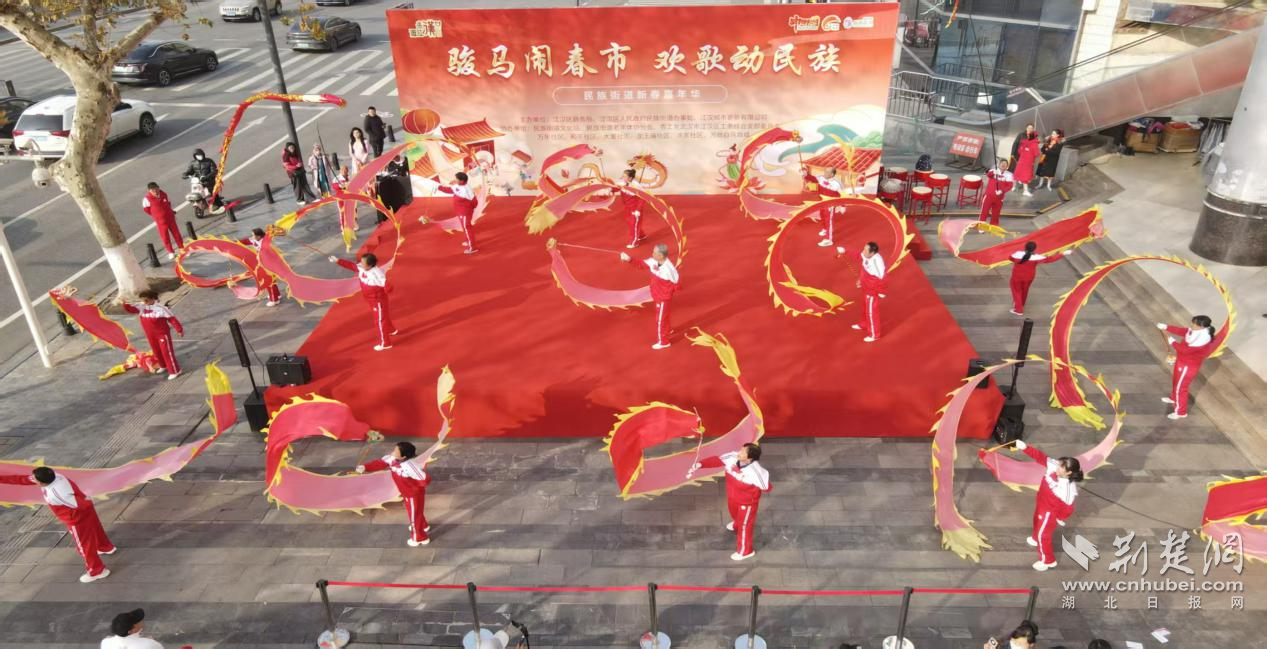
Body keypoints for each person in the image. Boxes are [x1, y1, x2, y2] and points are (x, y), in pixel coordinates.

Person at [0, 467, 116, 583]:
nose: (32, 479)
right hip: (85, 512)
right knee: (96, 529)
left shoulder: (55, 494)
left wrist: (79, 514)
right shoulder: (55, 476)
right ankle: (105, 547)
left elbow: (79, 505)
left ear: (41, 483)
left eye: (35, 479)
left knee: (84, 546)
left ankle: (97, 571)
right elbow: (22, 479)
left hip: (77, 519)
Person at [692, 442, 771, 561]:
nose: (739, 453)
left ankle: (745, 551)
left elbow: (766, 487)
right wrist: (700, 464)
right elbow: (718, 460)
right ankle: (736, 524)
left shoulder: (756, 471)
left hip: (747, 503)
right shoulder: (732, 457)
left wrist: (752, 490)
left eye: (743, 452)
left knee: (745, 526)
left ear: (750, 458)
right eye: (741, 449)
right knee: (734, 513)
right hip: (733, 496)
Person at [1014, 439, 1082, 571]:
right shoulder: (1055, 466)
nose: (1057, 467)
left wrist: (1060, 518)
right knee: (1036, 522)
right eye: (1059, 464)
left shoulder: (1068, 489)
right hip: (1041, 504)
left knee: (1043, 536)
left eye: (1061, 467)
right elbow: (1040, 457)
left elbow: (1069, 508)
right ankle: (1035, 538)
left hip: (1049, 513)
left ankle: (1048, 561)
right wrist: (1024, 447)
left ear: (1068, 473)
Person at [356, 442, 432, 546]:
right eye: (394, 449)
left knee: (414, 516)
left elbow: (424, 479)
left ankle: (419, 538)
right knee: (415, 512)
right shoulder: (392, 459)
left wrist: (414, 486)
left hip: (413, 495)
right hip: (406, 492)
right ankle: (423, 525)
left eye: (396, 451)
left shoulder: (410, 466)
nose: (393, 452)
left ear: (403, 456)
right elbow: (380, 463)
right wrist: (365, 467)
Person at [328, 252, 395, 351]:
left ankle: (386, 343)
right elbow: (351, 266)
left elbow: (388, 286)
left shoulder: (377, 274)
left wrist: (386, 288)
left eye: (363, 263)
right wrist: (337, 260)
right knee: (383, 316)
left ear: (370, 265)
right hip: (370, 299)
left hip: (378, 301)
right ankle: (391, 330)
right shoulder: (361, 267)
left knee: (380, 321)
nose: (361, 264)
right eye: (361, 262)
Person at [619, 243, 679, 350]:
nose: (652, 253)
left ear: (661, 255)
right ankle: (667, 330)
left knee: (660, 319)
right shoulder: (653, 261)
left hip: (663, 298)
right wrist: (628, 259)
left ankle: (663, 341)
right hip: (657, 295)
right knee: (664, 316)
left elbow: (676, 283)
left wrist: (666, 293)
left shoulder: (669, 269)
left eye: (654, 252)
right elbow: (641, 264)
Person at [1156, 315, 1217, 420]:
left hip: (1188, 366)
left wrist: (1171, 340)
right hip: (1182, 361)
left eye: (1194, 324)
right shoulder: (1196, 330)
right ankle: (1174, 398)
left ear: (1201, 326)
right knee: (1176, 381)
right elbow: (1183, 331)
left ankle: (1181, 412)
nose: (1192, 325)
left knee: (1181, 388)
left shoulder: (1203, 339)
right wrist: (1166, 327)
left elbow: (1184, 351)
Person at [122, 289, 184, 379]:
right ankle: (163, 365)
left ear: (152, 299)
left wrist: (179, 330)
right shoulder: (141, 306)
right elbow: (130, 309)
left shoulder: (161, 308)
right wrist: (124, 303)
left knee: (167, 352)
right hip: (150, 335)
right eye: (143, 300)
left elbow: (172, 319)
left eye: (146, 300)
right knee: (156, 351)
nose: (144, 302)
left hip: (162, 334)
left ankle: (175, 371)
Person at [1007, 242, 1072, 316]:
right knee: (1025, 290)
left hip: (1017, 276)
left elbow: (1010, 258)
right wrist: (1064, 253)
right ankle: (1021, 304)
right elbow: (1050, 259)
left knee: (1017, 292)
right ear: (1034, 249)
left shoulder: (1017, 254)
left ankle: (1018, 310)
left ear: (1025, 247)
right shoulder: (1037, 257)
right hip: (1029, 277)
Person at [839, 242, 885, 342]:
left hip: (872, 291)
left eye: (865, 250)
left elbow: (883, 277)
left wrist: (880, 291)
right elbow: (858, 255)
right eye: (864, 249)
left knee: (871, 312)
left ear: (872, 253)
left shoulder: (877, 262)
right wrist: (845, 251)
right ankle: (864, 324)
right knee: (865, 308)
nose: (863, 251)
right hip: (865, 287)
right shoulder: (866, 255)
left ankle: (874, 334)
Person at [802, 165, 845, 247]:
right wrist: (805, 174)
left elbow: (843, 195)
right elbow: (812, 178)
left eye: (827, 172)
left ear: (832, 174)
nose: (825, 173)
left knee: (829, 221)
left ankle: (829, 240)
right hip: (821, 202)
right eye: (825, 171)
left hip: (830, 204)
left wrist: (842, 205)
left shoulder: (837, 184)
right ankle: (825, 229)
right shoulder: (821, 178)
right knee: (822, 216)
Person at [437, 172, 479, 254]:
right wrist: (438, 187)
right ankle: (468, 241)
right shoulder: (459, 185)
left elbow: (475, 202)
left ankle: (472, 247)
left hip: (465, 213)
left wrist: (468, 210)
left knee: (467, 228)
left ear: (462, 181)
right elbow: (450, 190)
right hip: (460, 212)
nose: (455, 180)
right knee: (465, 227)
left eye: (456, 179)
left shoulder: (467, 191)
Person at [239, 228, 282, 306]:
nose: (252, 237)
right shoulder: (255, 240)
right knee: (271, 281)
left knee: (268, 281)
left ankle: (274, 300)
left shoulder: (265, 243)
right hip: (264, 263)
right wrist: (233, 243)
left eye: (253, 235)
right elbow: (246, 241)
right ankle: (277, 294)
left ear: (259, 236)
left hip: (269, 264)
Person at [141, 182, 183, 261]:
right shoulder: (147, 199)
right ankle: (171, 252)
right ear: (149, 191)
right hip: (160, 222)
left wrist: (171, 212)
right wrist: (156, 215)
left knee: (176, 234)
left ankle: (181, 248)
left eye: (156, 189)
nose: (155, 191)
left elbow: (168, 203)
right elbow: (147, 210)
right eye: (153, 190)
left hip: (170, 218)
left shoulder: (164, 194)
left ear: (158, 188)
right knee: (165, 237)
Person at [180, 148, 225, 213]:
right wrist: (185, 174)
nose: (199, 156)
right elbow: (189, 171)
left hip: (209, 181)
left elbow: (214, 171)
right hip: (198, 182)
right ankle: (200, 202)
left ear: (203, 154)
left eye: (200, 154)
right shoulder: (192, 163)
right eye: (197, 155)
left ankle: (220, 205)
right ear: (194, 156)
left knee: (213, 193)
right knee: (195, 193)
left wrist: (206, 177)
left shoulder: (209, 161)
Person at [615, 168, 647, 249]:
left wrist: (638, 210)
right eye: (623, 175)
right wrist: (610, 189)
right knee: (631, 223)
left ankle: (634, 242)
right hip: (627, 208)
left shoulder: (636, 186)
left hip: (635, 209)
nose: (622, 177)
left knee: (633, 225)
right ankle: (642, 235)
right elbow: (617, 188)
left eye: (624, 176)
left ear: (630, 178)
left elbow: (642, 198)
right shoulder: (623, 183)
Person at [978, 158, 1014, 227]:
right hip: (989, 196)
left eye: (1005, 164)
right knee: (984, 211)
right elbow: (989, 174)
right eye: (1002, 163)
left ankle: (994, 225)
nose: (1003, 165)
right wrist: (994, 172)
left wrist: (1002, 191)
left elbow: (1009, 186)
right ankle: (981, 226)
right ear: (999, 165)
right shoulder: (993, 170)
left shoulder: (1009, 175)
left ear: (1007, 166)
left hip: (999, 198)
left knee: (996, 213)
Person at [1014, 131, 1040, 196]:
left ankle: (1015, 187)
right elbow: (1037, 154)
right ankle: (1024, 190)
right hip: (1027, 163)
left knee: (1020, 174)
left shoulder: (1025, 142)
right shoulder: (1034, 144)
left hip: (1023, 161)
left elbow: (1019, 151)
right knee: (1025, 176)